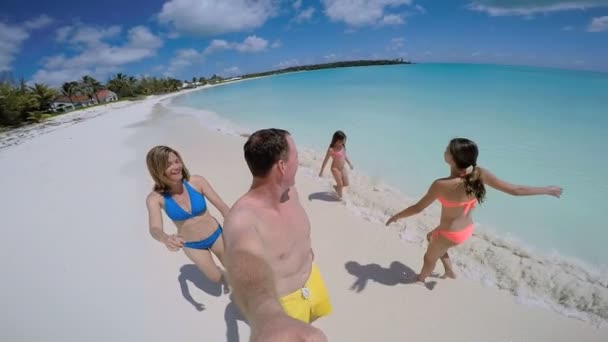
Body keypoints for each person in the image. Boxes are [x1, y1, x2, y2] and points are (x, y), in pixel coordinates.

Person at [385, 138, 562, 284]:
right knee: (431, 237)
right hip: (467, 230)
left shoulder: (441, 185)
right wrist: (547, 190)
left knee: (428, 259)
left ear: (453, 159)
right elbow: (515, 190)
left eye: (448, 149)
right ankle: (450, 271)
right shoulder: (479, 174)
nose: (445, 150)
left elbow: (418, 208)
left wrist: (397, 216)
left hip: (449, 234)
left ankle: (420, 280)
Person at [223, 129, 331, 342]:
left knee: (311, 325)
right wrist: (269, 317)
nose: (299, 162)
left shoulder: (291, 192)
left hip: (312, 280)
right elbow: (248, 267)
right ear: (282, 166)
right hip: (283, 305)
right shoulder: (242, 218)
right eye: (296, 156)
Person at [145, 145, 230, 292]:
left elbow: (223, 207)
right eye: (168, 165)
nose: (176, 166)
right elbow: (154, 228)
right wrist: (165, 238)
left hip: (216, 234)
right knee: (215, 278)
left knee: (234, 266)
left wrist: (233, 221)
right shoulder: (155, 198)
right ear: (157, 169)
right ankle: (223, 275)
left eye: (177, 161)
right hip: (192, 245)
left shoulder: (197, 182)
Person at [319, 130, 354, 200]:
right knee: (340, 184)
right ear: (336, 140)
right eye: (342, 141)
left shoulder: (342, 147)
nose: (343, 143)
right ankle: (340, 199)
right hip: (335, 168)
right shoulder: (331, 150)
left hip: (342, 168)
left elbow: (345, 156)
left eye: (344, 141)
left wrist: (350, 163)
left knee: (346, 183)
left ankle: (336, 187)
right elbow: (325, 160)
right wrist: (321, 171)